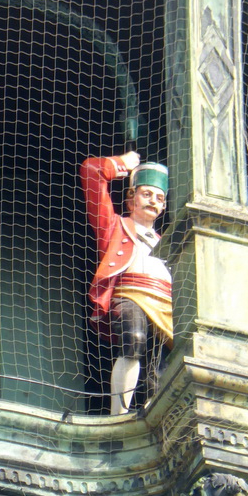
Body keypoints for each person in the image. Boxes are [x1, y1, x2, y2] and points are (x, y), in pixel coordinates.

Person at [80, 151, 171, 415]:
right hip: (130, 294)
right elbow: (91, 171)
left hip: (165, 305)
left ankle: (158, 411)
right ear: (131, 198)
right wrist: (123, 164)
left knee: (162, 362)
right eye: (146, 194)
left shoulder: (165, 242)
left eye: (159, 198)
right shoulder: (116, 226)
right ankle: (118, 413)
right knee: (133, 338)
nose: (153, 201)